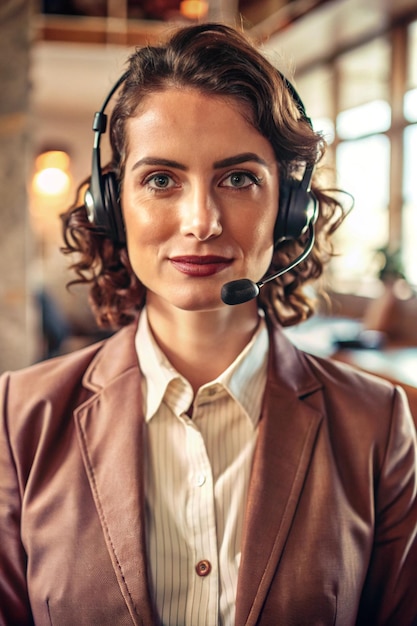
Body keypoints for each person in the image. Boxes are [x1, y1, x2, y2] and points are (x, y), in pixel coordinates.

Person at [1, 22, 416, 626]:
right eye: (161, 179)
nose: (201, 220)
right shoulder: (20, 418)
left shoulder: (376, 425)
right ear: (112, 207)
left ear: (290, 211)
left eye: (240, 178)